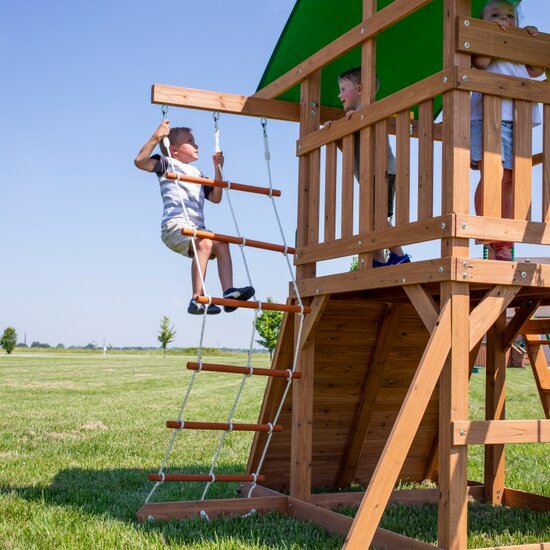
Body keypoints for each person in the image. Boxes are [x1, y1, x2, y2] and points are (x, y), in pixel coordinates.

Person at [134, 120, 254, 314]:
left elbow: (216, 197)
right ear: (173, 150)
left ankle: (229, 293)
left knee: (222, 242)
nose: (196, 145)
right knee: (205, 242)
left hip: (197, 230)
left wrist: (218, 169)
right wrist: (157, 136)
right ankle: (196, 299)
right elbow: (140, 161)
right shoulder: (167, 164)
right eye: (190, 141)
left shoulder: (198, 173)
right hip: (175, 227)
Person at [471, 0, 544, 260]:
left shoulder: (518, 48)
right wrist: (492, 34)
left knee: (514, 179)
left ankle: (506, 236)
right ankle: (489, 232)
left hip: (518, 121)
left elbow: (537, 69)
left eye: (509, 15)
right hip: (487, 118)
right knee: (494, 174)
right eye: (495, 15)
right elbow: (480, 62)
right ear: (482, 21)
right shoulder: (481, 41)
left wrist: (530, 41)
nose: (504, 19)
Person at [335, 67, 410, 267]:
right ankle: (377, 260)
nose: (339, 94)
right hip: (370, 175)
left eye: (343, 89)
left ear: (359, 89)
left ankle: (399, 255)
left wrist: (355, 118)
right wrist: (334, 133)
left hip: (382, 171)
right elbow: (350, 149)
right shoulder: (354, 117)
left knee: (376, 215)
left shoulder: (371, 112)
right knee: (370, 218)